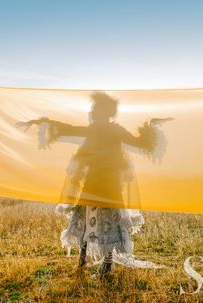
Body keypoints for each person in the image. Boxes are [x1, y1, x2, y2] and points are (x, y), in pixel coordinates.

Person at [16, 91, 172, 278]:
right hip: (92, 183)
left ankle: (106, 266)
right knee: (83, 218)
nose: (93, 113)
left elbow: (139, 143)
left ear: (107, 113)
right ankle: (82, 261)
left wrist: (152, 125)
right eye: (93, 109)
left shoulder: (116, 130)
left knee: (109, 223)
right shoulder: (94, 130)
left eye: (96, 109)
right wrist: (42, 122)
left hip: (109, 185)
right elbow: (69, 129)